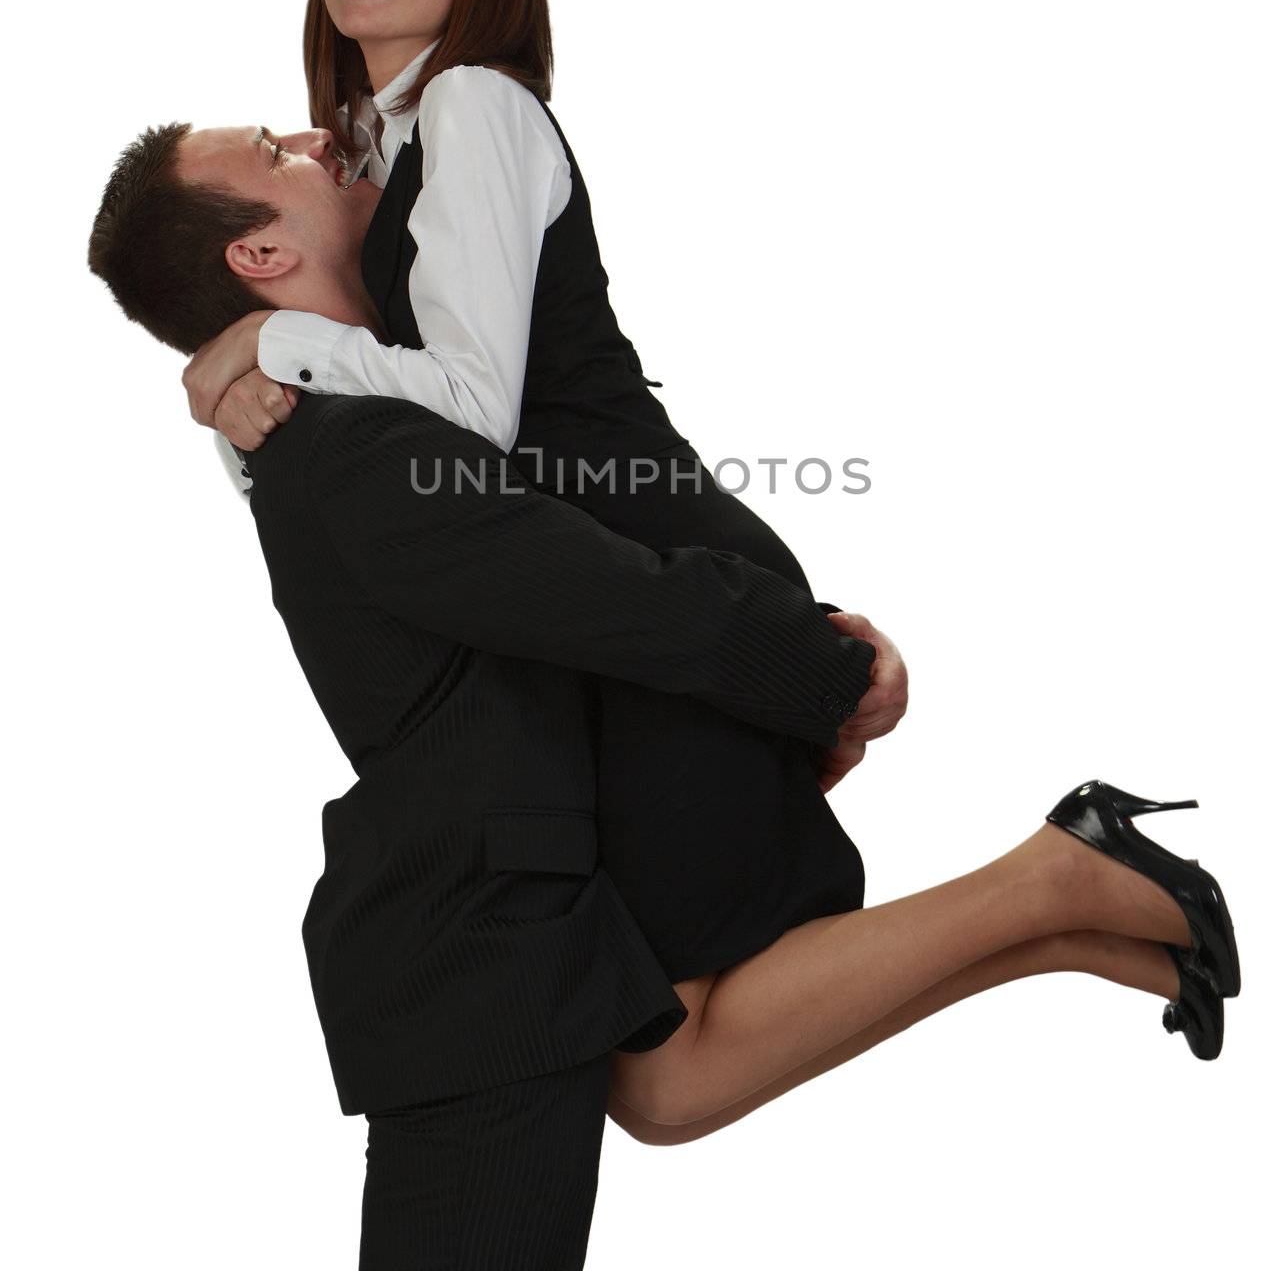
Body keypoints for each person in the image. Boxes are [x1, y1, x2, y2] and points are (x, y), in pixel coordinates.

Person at [90, 118, 1237, 1265]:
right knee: (666, 1092)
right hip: (473, 950)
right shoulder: (352, 445)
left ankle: (1070, 899)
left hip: (488, 931)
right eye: (274, 155)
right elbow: (616, 595)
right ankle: (1061, 890)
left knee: (670, 1087)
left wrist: (242, 362)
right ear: (259, 256)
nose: (311, 134)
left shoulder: (379, 407)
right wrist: (825, 671)